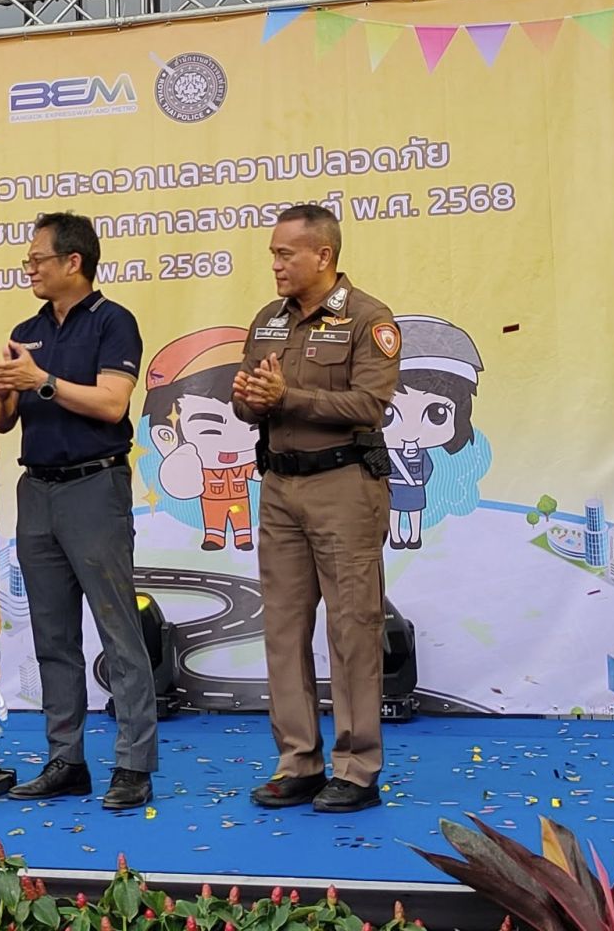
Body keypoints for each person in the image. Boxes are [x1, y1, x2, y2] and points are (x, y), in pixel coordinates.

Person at [0, 211, 158, 810]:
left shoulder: (113, 322)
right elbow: (4, 421)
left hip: (94, 486)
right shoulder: (27, 330)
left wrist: (41, 379)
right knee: (52, 634)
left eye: (38, 260)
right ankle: (65, 759)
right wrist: (3, 389)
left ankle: (133, 763)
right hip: (38, 489)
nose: (29, 269)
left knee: (117, 629)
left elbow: (112, 404)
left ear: (73, 262)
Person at [232, 204, 399, 814]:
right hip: (279, 485)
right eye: (273, 254)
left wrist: (287, 396)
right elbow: (251, 401)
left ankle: (357, 768)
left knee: (352, 628)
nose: (275, 265)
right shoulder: (267, 320)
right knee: (282, 627)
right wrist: (249, 399)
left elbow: (370, 405)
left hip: (344, 486)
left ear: (323, 256)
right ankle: (298, 761)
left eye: (286, 254)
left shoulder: (368, 319)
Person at [144, 327, 259, 551]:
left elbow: (256, 472)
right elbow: (184, 486)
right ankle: (214, 537)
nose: (233, 442)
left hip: (241, 501)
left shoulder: (244, 465)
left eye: (252, 426)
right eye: (211, 429)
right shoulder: (195, 466)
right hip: (210, 502)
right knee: (214, 518)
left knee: (241, 517)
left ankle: (243, 537)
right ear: (166, 434)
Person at [382, 314, 484, 551]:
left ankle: (413, 536)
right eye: (387, 414)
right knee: (394, 512)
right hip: (394, 488)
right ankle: (395, 537)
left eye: (436, 413)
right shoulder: (386, 451)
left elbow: (428, 468)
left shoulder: (420, 454)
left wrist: (416, 474)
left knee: (414, 512)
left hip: (414, 487)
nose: (410, 432)